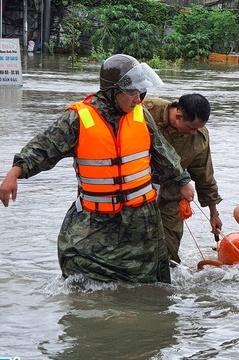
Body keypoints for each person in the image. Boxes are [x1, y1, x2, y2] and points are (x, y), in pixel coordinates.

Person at [0, 54, 195, 283]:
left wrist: (182, 181)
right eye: (132, 93)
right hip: (95, 221)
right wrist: (15, 173)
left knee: (149, 285)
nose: (138, 99)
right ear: (113, 91)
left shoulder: (141, 114)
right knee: (79, 275)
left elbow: (163, 153)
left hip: (141, 222)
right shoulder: (78, 118)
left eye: (141, 93)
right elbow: (44, 147)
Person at [142, 94, 222, 264]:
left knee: (169, 253)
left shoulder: (200, 136)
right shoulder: (146, 112)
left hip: (172, 195)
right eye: (191, 127)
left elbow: (204, 176)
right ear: (178, 116)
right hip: (137, 191)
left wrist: (213, 214)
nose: (194, 132)